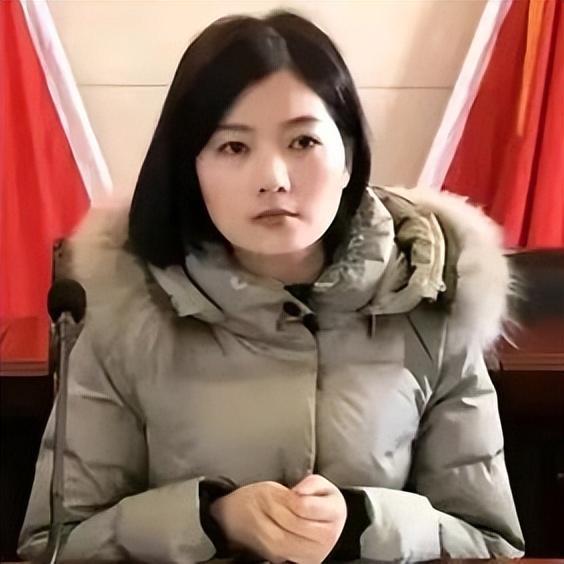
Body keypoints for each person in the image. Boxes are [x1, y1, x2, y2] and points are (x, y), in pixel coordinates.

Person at [19, 10, 525, 563]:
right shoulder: (125, 308)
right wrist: (210, 520)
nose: (274, 179)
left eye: (303, 141)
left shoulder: (429, 297)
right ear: (191, 168)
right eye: (234, 147)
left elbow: (491, 545)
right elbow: (55, 547)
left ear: (348, 155)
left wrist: (364, 522)